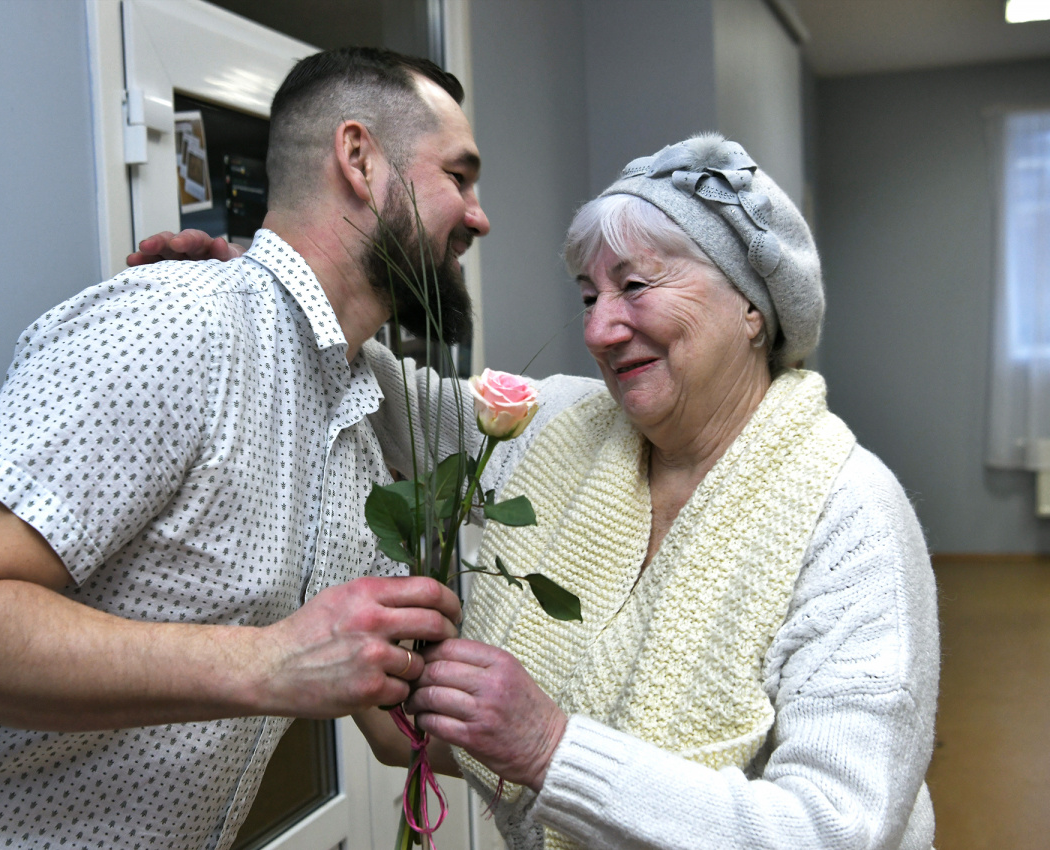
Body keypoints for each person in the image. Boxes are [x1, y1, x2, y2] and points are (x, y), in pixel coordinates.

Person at [0, 46, 490, 850]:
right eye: (458, 177)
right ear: (359, 159)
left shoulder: (359, 410)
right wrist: (270, 663)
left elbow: (394, 727)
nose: (478, 217)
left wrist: (569, 753)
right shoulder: (174, 325)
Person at [355, 134, 938, 850]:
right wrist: (278, 294)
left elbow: (837, 829)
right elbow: (393, 409)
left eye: (634, 287)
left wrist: (550, 749)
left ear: (752, 307)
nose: (599, 330)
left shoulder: (850, 516)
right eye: (588, 296)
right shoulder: (562, 427)